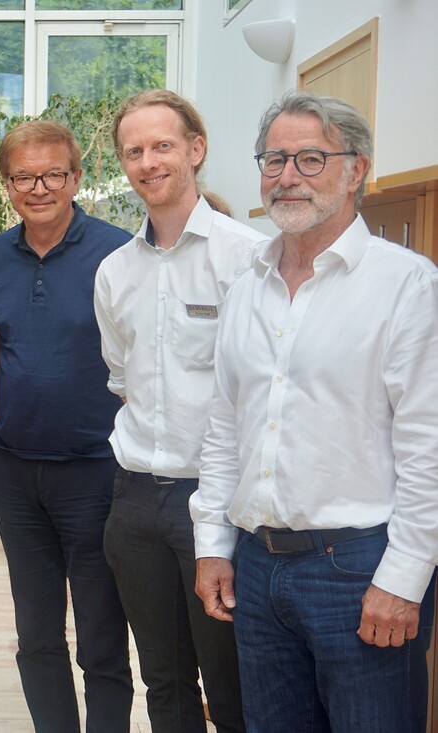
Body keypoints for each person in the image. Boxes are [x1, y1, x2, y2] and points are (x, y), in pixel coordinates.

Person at [190, 90, 438, 732]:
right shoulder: (247, 284)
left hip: (360, 570)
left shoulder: (406, 286)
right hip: (257, 566)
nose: (287, 177)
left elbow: (429, 447)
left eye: (310, 159)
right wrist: (214, 545)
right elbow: (224, 430)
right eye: (274, 160)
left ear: (356, 171)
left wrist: (404, 578)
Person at [94, 89, 265, 733]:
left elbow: (262, 389)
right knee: (162, 684)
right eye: (133, 151)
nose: (148, 162)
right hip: (135, 501)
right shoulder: (114, 271)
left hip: (217, 504)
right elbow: (121, 377)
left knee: (230, 681)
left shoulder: (247, 257)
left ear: (195, 150)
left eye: (162, 145)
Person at [0, 120, 134, 733]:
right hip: (17, 475)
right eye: (23, 176)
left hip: (96, 472)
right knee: (35, 634)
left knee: (101, 633)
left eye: (52, 174)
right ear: (8, 182)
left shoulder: (119, 251)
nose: (38, 187)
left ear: (75, 178)